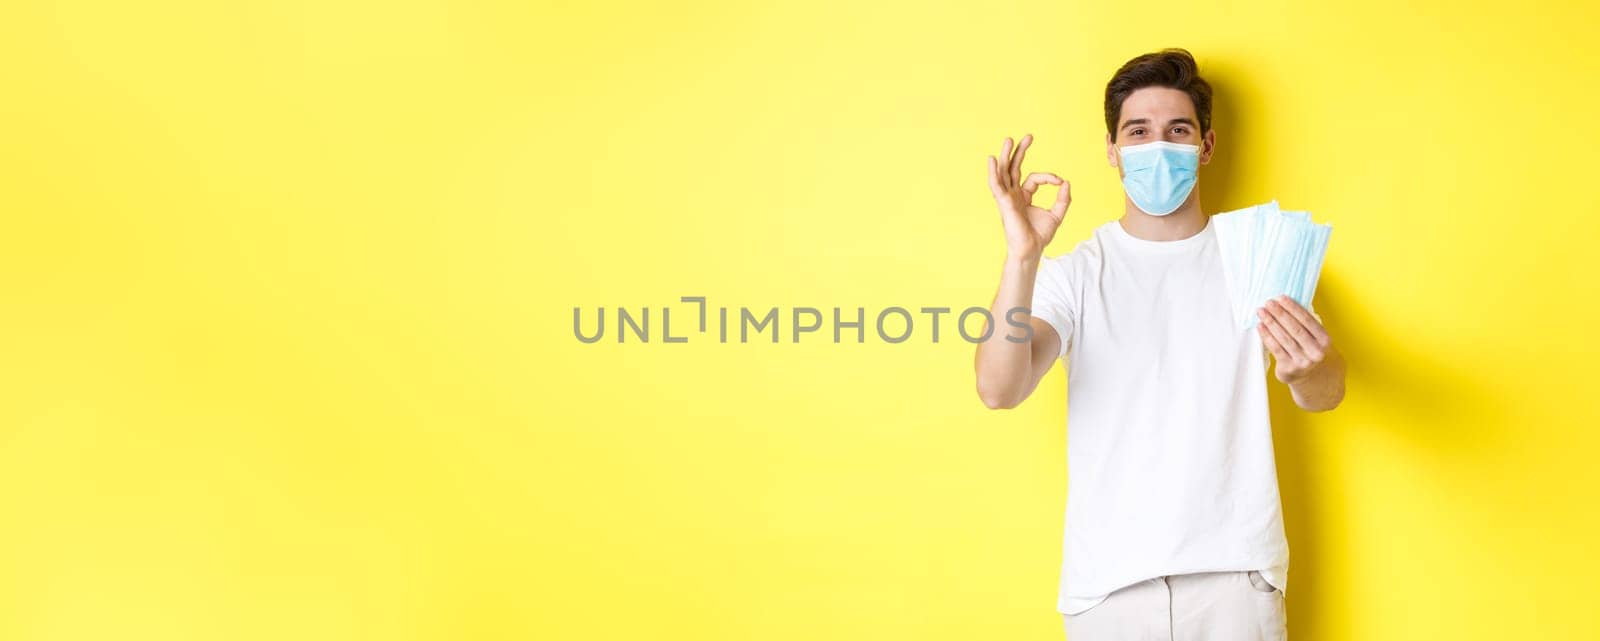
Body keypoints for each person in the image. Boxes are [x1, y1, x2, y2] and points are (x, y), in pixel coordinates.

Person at [972, 48, 1346, 640]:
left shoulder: (1257, 254)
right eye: (1138, 132)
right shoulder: (1073, 275)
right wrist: (1023, 256)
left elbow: (1325, 393)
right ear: (1113, 152)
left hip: (1235, 581)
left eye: (1178, 130)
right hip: (1108, 590)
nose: (1158, 146)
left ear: (1207, 146)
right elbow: (998, 387)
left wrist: (1309, 370)